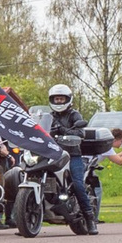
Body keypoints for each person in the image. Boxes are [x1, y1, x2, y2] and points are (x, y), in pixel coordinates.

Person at [45, 83, 95, 216]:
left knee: (78, 184)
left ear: (68, 99)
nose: (59, 101)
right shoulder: (47, 117)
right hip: (52, 155)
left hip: (72, 155)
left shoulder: (74, 115)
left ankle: (89, 216)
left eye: (61, 99)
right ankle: (21, 216)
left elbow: (80, 133)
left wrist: (62, 130)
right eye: (56, 99)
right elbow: (38, 130)